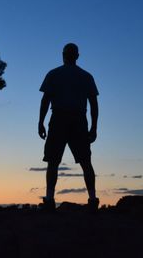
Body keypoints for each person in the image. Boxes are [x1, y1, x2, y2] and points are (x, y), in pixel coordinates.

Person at [38, 43, 99, 212]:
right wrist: (94, 127)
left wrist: (40, 122)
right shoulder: (86, 76)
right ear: (77, 56)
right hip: (78, 120)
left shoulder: (54, 74)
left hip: (59, 119)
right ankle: (92, 199)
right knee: (86, 161)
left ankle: (49, 200)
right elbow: (94, 105)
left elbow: (45, 101)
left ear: (62, 55)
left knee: (53, 161)